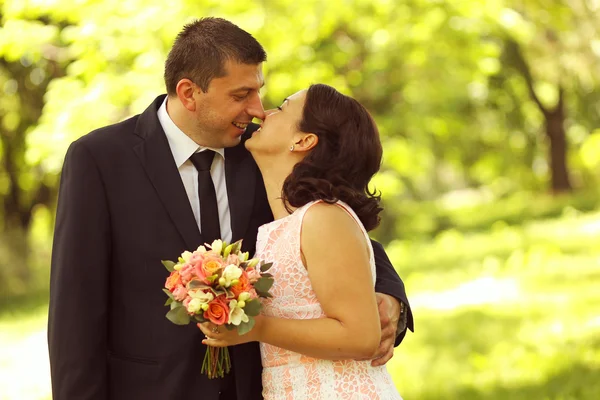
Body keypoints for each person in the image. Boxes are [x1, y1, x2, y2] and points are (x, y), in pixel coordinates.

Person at [48, 17, 412, 400]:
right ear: (189, 93)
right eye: (241, 95)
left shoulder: (264, 151)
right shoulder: (100, 159)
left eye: (258, 91)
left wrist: (391, 297)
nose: (257, 110)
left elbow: (339, 226)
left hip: (258, 387)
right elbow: (76, 311)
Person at [198, 84, 403, 399]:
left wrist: (256, 328)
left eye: (280, 108)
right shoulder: (290, 223)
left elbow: (361, 337)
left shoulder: (324, 218)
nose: (263, 113)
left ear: (303, 140)